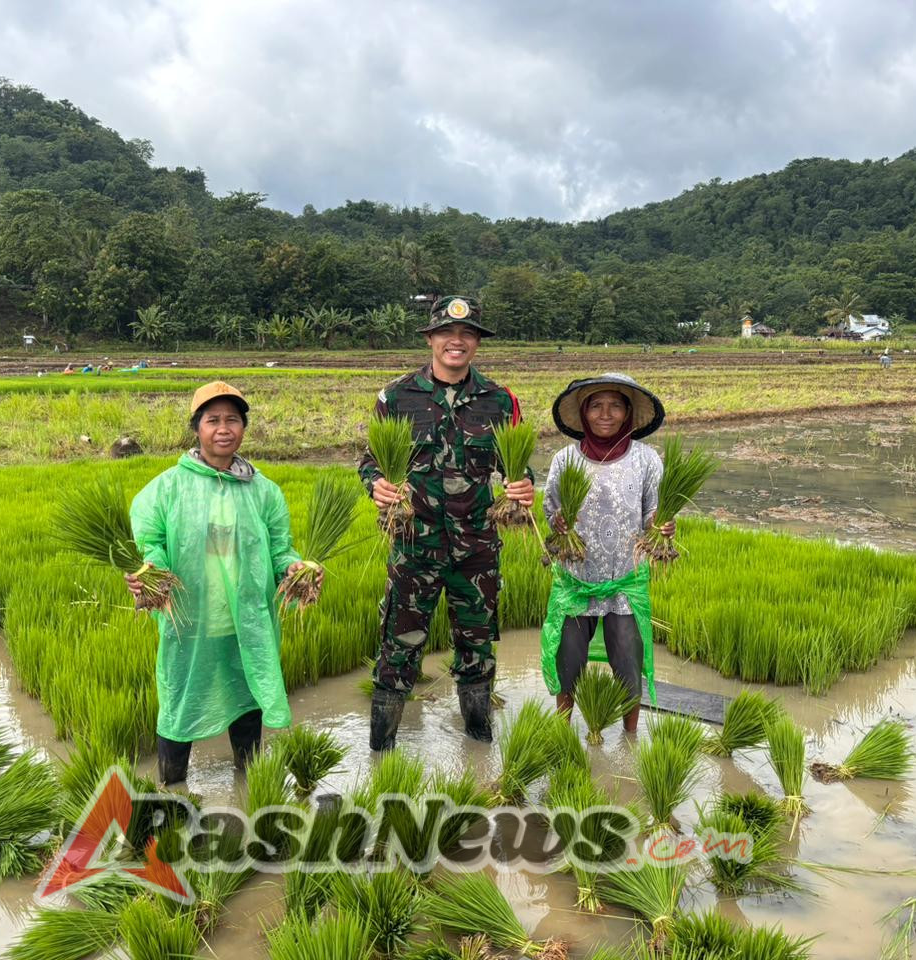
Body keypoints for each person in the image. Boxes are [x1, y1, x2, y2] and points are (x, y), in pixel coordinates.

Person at [359, 295, 534, 750]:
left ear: (476, 342)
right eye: (447, 333)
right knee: (398, 649)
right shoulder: (396, 397)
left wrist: (524, 487)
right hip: (414, 549)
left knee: (478, 650)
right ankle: (383, 751)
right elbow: (370, 463)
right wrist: (376, 484)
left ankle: (479, 749)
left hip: (476, 550)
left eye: (467, 334)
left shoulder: (500, 400)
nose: (456, 341)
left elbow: (517, 468)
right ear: (431, 338)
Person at [127, 381, 318, 785]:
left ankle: (249, 787)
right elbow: (152, 545)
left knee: (248, 699)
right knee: (179, 703)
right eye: (213, 420)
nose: (224, 428)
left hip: (246, 620)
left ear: (243, 428)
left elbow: (280, 550)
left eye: (233, 419)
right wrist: (150, 575)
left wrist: (297, 569)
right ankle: (172, 791)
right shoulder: (166, 488)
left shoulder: (264, 492)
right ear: (196, 429)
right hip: (190, 622)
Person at [539, 373, 672, 733]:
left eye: (615, 405)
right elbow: (550, 511)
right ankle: (562, 729)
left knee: (628, 660)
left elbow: (653, 512)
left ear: (628, 412)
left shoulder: (645, 460)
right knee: (568, 659)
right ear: (583, 412)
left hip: (624, 581)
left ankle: (630, 736)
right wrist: (558, 522)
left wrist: (661, 527)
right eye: (596, 405)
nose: (605, 414)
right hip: (576, 580)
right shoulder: (565, 459)